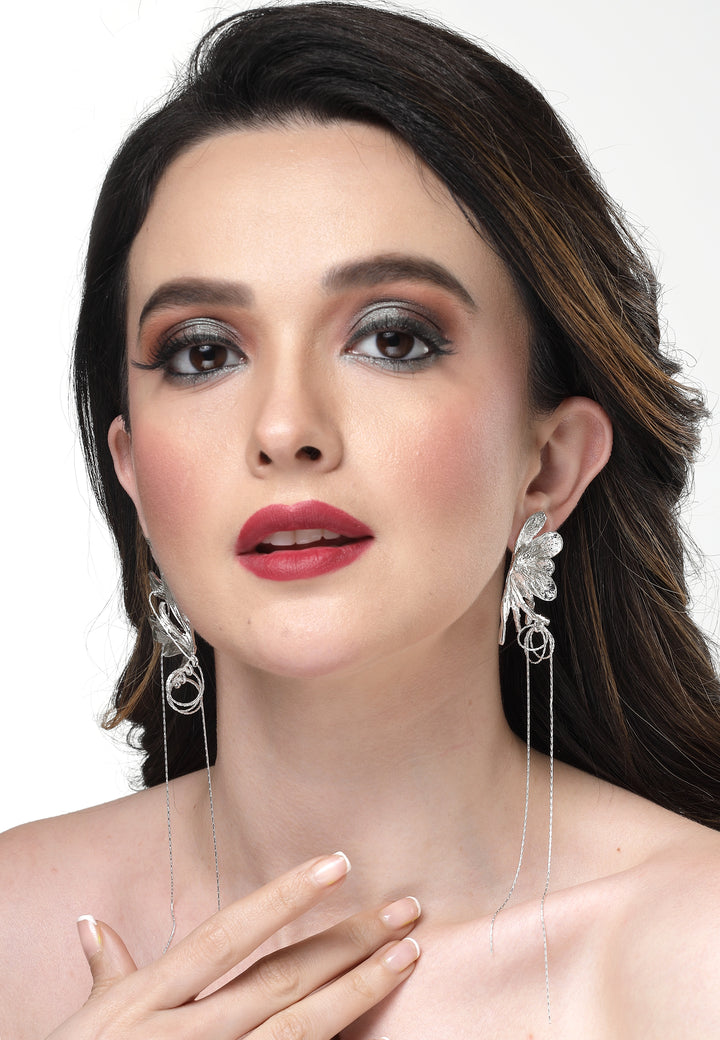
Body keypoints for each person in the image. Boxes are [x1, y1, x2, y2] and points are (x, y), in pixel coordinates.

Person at [2, 2, 719, 1036]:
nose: (285, 428)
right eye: (203, 351)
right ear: (134, 475)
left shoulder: (692, 955)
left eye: (393, 338)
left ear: (550, 462)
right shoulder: (14, 940)